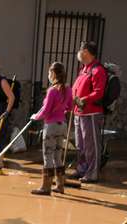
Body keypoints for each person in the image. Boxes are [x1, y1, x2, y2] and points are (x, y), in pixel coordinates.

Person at [30, 62, 73, 195]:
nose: (48, 75)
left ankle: (46, 187)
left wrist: (35, 117)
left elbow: (46, 112)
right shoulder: (68, 88)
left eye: (49, 73)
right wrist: (60, 109)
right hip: (62, 125)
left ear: (53, 74)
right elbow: (70, 107)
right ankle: (60, 186)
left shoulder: (52, 91)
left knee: (48, 155)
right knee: (58, 156)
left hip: (51, 126)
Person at [71, 41, 106, 183]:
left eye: (81, 49)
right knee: (80, 144)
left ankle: (92, 173)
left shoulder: (98, 70)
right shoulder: (84, 69)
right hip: (79, 112)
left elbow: (99, 92)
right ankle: (82, 169)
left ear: (86, 51)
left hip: (91, 113)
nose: (79, 52)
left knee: (91, 145)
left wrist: (84, 99)